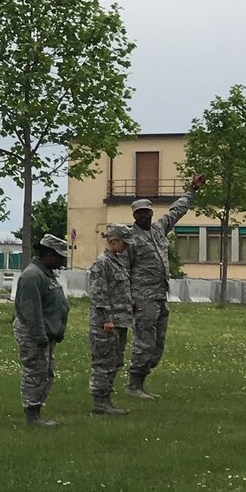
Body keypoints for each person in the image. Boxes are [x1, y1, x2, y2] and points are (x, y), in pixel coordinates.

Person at [125, 175, 204, 398]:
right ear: (134, 216)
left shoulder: (159, 229)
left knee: (158, 345)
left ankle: (141, 381)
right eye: (139, 213)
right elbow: (124, 270)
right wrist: (128, 300)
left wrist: (192, 190)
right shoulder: (130, 239)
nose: (143, 216)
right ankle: (133, 385)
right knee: (145, 341)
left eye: (146, 212)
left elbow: (176, 211)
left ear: (151, 213)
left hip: (160, 296)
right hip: (142, 298)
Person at [14, 233, 72, 427]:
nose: (62, 261)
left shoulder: (46, 274)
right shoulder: (32, 276)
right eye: (59, 257)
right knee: (35, 373)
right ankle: (32, 414)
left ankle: (37, 410)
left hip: (47, 334)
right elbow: (31, 311)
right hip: (35, 334)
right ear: (49, 255)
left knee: (46, 373)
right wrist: (40, 336)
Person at [88, 225, 135, 415]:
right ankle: (100, 401)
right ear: (113, 241)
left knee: (115, 361)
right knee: (103, 362)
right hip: (106, 323)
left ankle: (107, 399)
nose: (126, 247)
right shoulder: (102, 263)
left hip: (120, 322)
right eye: (124, 243)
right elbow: (99, 294)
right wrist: (107, 319)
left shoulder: (118, 262)